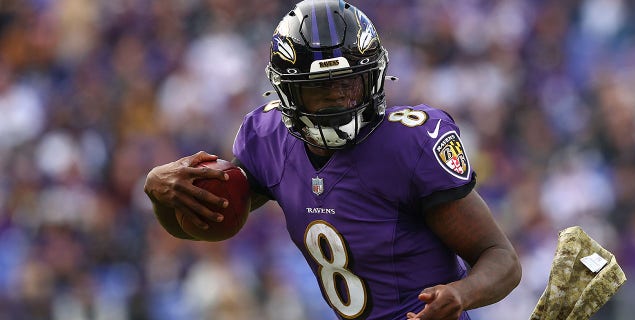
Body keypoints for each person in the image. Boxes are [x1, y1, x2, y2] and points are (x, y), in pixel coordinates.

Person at [144, 1, 521, 319]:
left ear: (373, 77)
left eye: (348, 83)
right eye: (320, 89)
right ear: (289, 91)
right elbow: (209, 224)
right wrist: (161, 195)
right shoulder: (269, 138)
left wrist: (461, 294)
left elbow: (501, 258)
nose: (339, 99)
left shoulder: (409, 144)